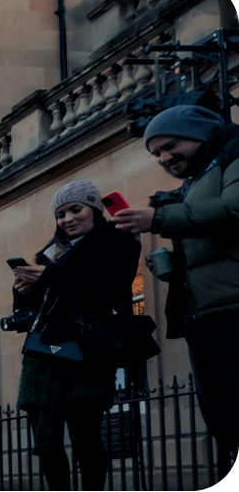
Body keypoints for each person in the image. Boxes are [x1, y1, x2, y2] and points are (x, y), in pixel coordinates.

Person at [114, 104, 239, 476]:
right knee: (221, 414)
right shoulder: (197, 180)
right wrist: (172, 269)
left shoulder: (233, 156)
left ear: (200, 134)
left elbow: (234, 211)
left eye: (171, 146)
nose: (165, 158)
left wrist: (160, 218)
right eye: (156, 154)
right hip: (204, 311)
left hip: (232, 308)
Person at [15, 179, 140, 491]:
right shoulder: (48, 253)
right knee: (46, 441)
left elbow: (104, 294)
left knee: (86, 439)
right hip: (42, 354)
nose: (67, 219)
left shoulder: (118, 243)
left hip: (84, 351)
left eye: (75, 209)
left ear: (95, 209)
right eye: (60, 214)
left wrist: (51, 276)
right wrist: (23, 291)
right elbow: (32, 311)